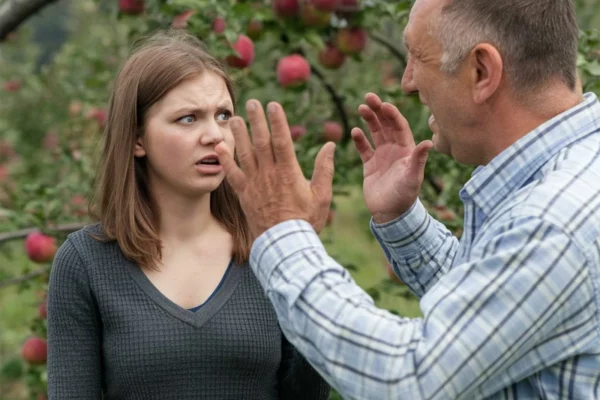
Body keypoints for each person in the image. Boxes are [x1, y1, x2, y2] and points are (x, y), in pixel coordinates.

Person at [213, 0, 600, 398]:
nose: (407, 82)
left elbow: (410, 377)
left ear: (482, 71)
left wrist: (283, 233)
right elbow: (503, 313)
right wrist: (403, 221)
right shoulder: (574, 180)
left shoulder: (551, 223)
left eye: (418, 56)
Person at [46, 29, 330, 399]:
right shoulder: (87, 262)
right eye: (188, 119)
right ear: (136, 139)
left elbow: (308, 394)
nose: (214, 135)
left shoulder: (269, 251)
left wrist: (304, 258)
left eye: (223, 115)